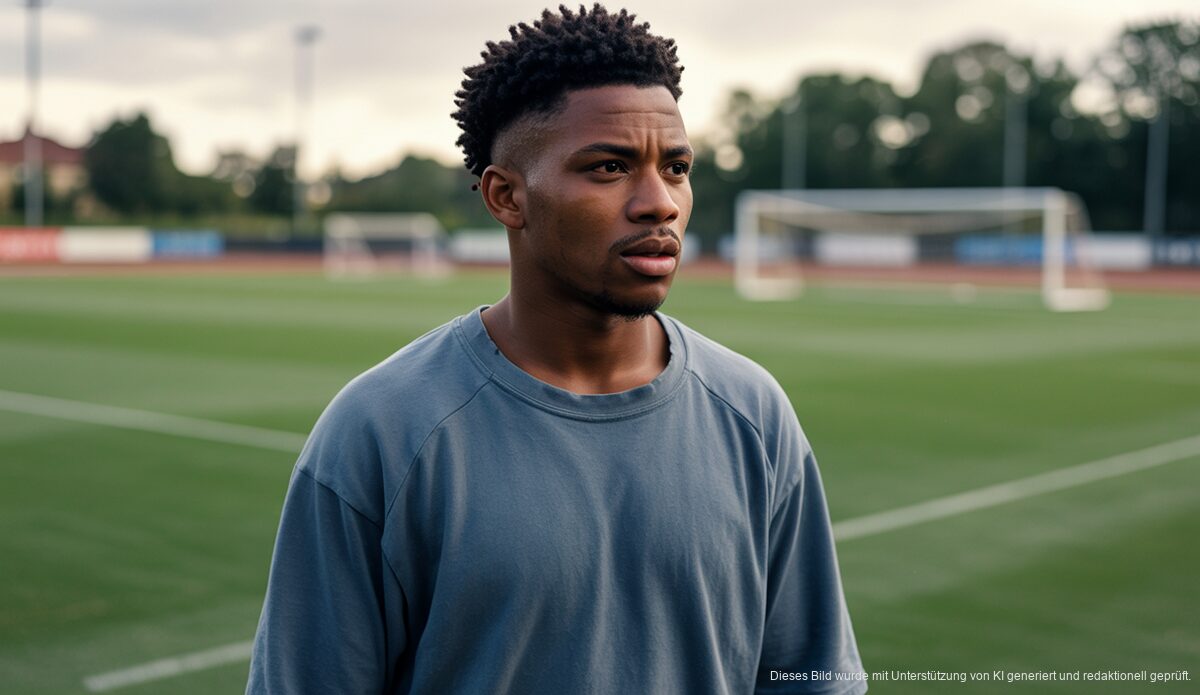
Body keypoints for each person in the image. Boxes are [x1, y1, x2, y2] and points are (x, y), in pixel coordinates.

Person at [246, 4, 866, 694]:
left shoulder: (754, 412)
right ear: (506, 196)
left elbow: (811, 676)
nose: (659, 202)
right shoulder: (382, 430)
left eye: (678, 167)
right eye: (609, 167)